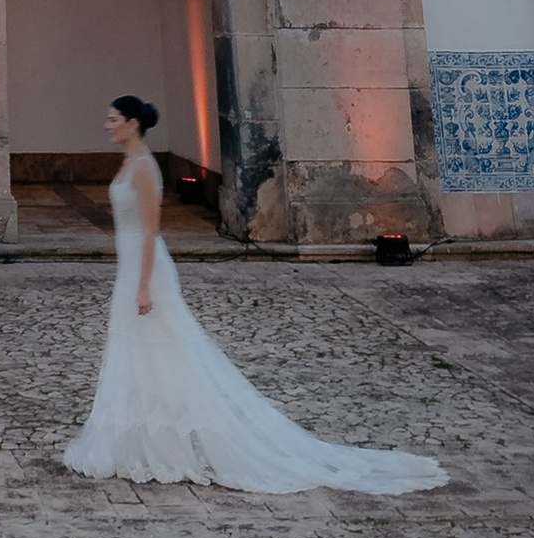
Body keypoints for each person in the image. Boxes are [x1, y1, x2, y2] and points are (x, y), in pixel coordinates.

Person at [63, 96, 445, 494]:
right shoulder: (128, 161)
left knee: (170, 348)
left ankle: (182, 436)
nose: (107, 125)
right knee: (137, 350)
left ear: (132, 123)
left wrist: (143, 286)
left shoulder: (144, 168)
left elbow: (150, 231)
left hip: (146, 271)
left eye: (113, 119)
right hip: (129, 269)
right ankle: (136, 438)